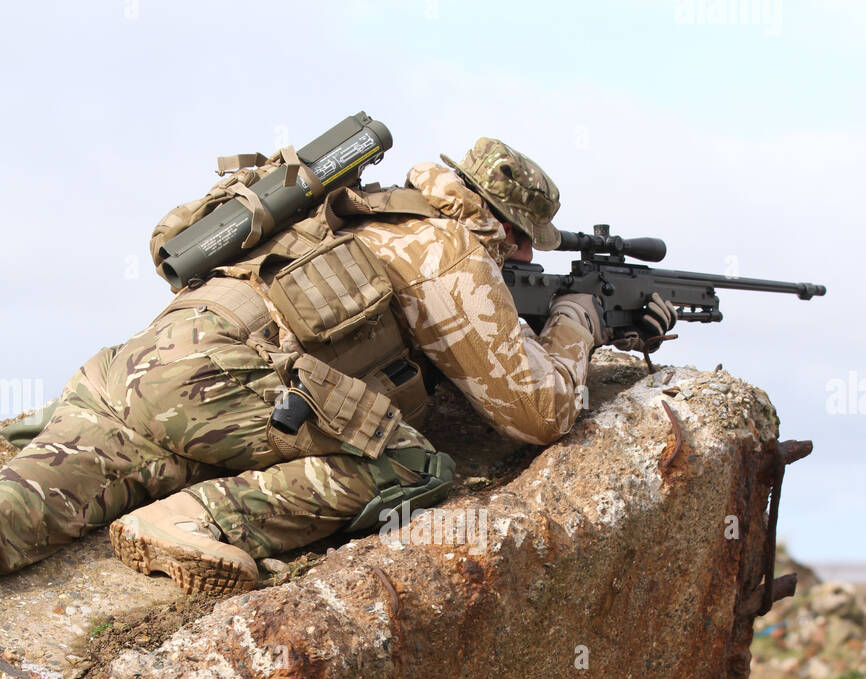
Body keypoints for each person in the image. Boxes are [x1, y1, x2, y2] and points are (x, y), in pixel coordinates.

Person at [0, 137, 677, 592]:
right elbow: (541, 413)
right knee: (414, 465)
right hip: (225, 392)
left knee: (19, 512)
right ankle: (195, 519)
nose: (528, 262)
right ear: (503, 225)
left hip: (138, 372)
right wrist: (579, 323)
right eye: (528, 244)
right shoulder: (447, 248)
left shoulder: (357, 204)